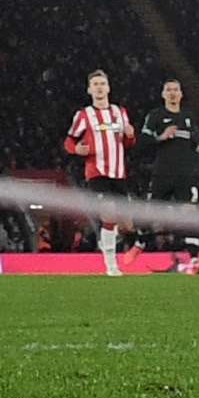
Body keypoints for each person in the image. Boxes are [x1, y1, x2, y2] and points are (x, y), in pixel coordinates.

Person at [64, 69, 136, 276]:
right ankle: (111, 265)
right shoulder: (84, 115)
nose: (99, 88)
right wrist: (76, 149)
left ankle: (108, 240)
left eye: (102, 84)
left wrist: (131, 135)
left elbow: (129, 142)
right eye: (95, 84)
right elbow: (69, 141)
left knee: (127, 224)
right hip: (96, 173)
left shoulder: (120, 112)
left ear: (108, 88)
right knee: (109, 213)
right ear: (89, 90)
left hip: (119, 174)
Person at [140, 79, 199, 276]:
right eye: (169, 90)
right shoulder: (156, 116)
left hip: (185, 174)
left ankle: (195, 260)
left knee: (190, 214)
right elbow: (142, 142)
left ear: (181, 94)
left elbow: (195, 143)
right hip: (162, 173)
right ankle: (139, 244)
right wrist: (161, 137)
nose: (173, 93)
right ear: (163, 94)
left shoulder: (188, 116)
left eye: (176, 90)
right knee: (150, 214)